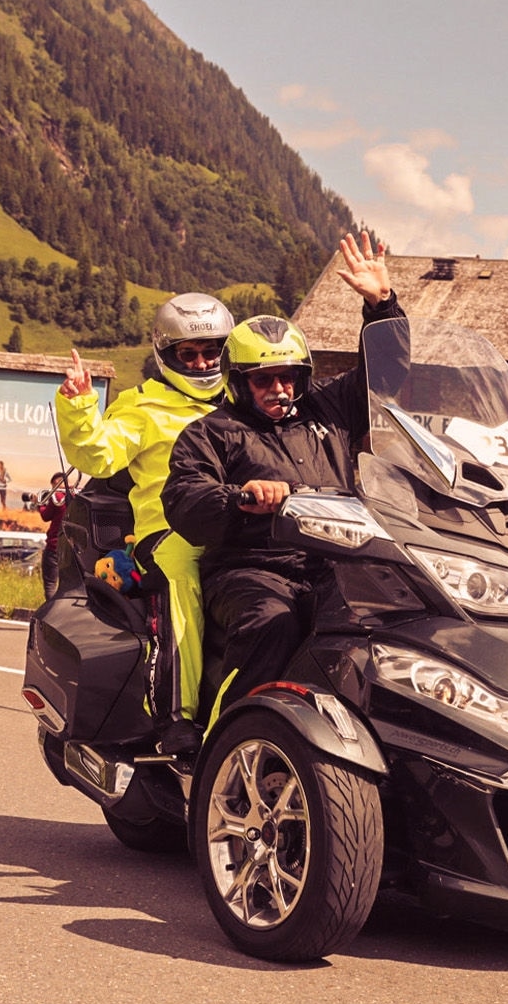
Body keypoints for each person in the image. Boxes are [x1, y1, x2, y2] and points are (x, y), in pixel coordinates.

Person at [163, 233, 402, 723]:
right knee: (273, 622)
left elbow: (388, 375)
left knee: (387, 620)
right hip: (252, 569)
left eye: (288, 376)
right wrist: (239, 498)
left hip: (335, 562)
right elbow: (184, 500)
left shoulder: (329, 408)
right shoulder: (212, 432)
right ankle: (231, 731)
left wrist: (381, 306)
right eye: (263, 379)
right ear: (238, 380)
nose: (279, 388)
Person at [56, 291, 235, 755]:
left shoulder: (245, 398)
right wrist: (80, 406)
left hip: (243, 526)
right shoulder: (142, 406)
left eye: (211, 352)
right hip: (171, 533)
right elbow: (98, 455)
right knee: (180, 577)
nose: (201, 363)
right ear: (166, 355)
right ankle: (178, 716)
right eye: (188, 354)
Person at [36, 471, 71, 599]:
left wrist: (40, 505)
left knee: (50, 584)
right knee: (68, 586)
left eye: (53, 485)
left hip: (54, 546)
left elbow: (46, 516)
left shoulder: (57, 496)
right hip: (71, 549)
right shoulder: (75, 496)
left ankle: (51, 609)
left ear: (56, 483)